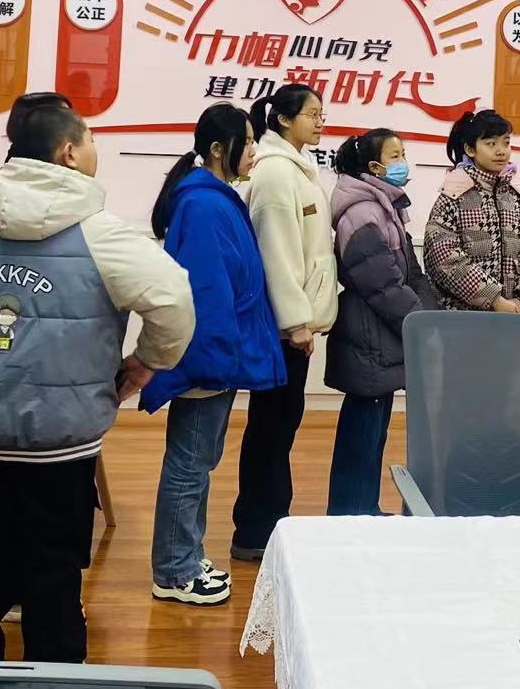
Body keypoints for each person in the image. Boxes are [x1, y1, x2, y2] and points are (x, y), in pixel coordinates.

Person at [0, 92, 194, 658]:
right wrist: (148, 362)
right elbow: (173, 297)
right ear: (70, 152)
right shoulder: (102, 233)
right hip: (60, 445)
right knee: (53, 581)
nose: (96, 149)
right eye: (92, 139)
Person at [141, 104, 287, 605]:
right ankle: (174, 570)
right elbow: (205, 292)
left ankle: (186, 554)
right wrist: (214, 362)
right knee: (189, 463)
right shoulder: (203, 204)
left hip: (218, 353)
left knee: (199, 460)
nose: (254, 150)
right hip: (208, 357)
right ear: (220, 149)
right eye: (248, 141)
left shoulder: (213, 197)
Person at [231, 83, 337, 561]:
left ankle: (268, 523)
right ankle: (257, 530)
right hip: (282, 329)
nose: (320, 121)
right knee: (271, 428)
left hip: (292, 327)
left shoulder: (297, 167)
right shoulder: (275, 172)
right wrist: (295, 322)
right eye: (312, 114)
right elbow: (277, 254)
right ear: (283, 119)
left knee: (279, 425)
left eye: (321, 113)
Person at [325, 128, 438, 516]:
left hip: (383, 335)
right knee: (362, 433)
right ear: (375, 167)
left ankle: (364, 510)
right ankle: (351, 515)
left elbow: (412, 274)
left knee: (373, 432)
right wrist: (418, 325)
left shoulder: (386, 207)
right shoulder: (361, 212)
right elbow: (383, 284)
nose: (403, 162)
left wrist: (426, 317)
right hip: (369, 334)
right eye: (395, 155)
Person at [424, 109, 520, 314]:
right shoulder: (452, 197)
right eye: (491, 144)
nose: (501, 151)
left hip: (517, 317)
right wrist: (494, 299)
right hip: (462, 320)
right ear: (470, 149)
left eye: (506, 142)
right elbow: (443, 258)